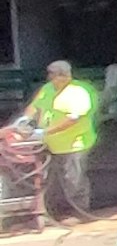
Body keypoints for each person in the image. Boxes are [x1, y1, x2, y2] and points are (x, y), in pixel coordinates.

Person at [20, 61, 96, 222]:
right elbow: (35, 107)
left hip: (74, 144)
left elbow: (73, 119)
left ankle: (80, 212)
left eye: (53, 75)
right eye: (50, 75)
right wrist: (25, 121)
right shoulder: (47, 89)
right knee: (50, 179)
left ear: (64, 76)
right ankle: (54, 211)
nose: (50, 78)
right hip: (50, 144)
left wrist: (45, 131)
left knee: (73, 179)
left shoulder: (78, 92)